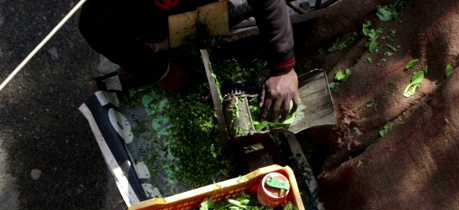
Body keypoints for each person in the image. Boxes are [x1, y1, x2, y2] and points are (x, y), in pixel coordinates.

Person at [78, 0, 299, 121]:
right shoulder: (104, 10)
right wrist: (159, 70)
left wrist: (283, 67)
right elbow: (94, 28)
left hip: (204, 9)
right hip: (150, 23)